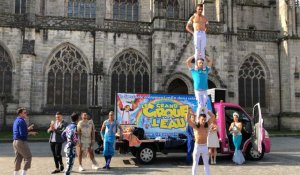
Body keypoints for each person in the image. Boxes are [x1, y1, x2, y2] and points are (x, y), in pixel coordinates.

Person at [186, 107, 214, 175]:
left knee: (206, 164)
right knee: (195, 163)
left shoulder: (207, 125)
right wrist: (188, 111)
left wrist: (206, 110)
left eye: (204, 119)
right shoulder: (196, 126)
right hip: (197, 146)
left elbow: (213, 116)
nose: (203, 121)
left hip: (204, 146)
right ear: (199, 119)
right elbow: (187, 119)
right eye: (202, 120)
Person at [186, 55, 213, 120]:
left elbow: (210, 61)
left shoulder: (205, 70)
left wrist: (205, 56)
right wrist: (194, 56)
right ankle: (198, 120)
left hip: (204, 91)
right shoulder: (194, 71)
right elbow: (187, 62)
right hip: (197, 91)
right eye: (200, 63)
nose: (201, 64)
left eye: (202, 63)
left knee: (205, 106)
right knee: (200, 106)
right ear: (197, 64)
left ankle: (206, 120)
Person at [12, 108, 37, 175]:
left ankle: (15, 173)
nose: (26, 113)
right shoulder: (22, 121)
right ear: (20, 114)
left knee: (18, 159)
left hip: (15, 141)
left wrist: (27, 129)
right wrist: (31, 133)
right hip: (21, 141)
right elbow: (22, 134)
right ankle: (24, 173)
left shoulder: (16, 120)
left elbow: (19, 131)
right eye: (25, 112)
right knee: (28, 157)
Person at [186, 3, 209, 67]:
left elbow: (207, 27)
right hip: (196, 33)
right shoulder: (193, 17)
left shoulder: (205, 18)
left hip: (203, 33)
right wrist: (193, 33)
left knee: (202, 50)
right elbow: (187, 27)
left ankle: (202, 66)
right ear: (196, 9)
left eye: (202, 9)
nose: (200, 10)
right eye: (199, 9)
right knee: (197, 50)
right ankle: (196, 66)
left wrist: (204, 33)